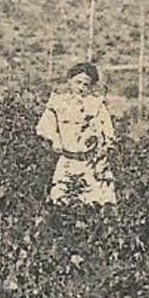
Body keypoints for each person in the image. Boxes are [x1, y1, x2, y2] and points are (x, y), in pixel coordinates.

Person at [35, 62, 117, 207]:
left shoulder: (97, 106)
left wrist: (102, 152)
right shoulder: (58, 103)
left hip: (92, 165)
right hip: (67, 162)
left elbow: (109, 135)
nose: (80, 88)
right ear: (69, 81)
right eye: (77, 82)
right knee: (63, 203)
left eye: (85, 85)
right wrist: (55, 140)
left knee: (96, 205)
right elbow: (44, 128)